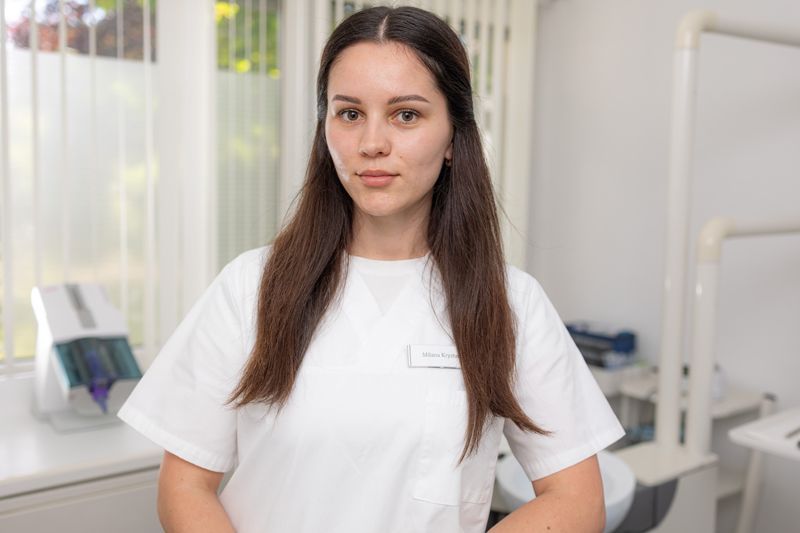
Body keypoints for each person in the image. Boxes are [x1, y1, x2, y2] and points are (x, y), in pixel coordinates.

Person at [119, 6, 624, 533]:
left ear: (453, 136)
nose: (372, 143)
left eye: (406, 114)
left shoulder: (510, 303)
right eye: (350, 113)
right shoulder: (251, 287)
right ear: (326, 129)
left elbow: (576, 499)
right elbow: (184, 484)